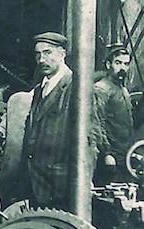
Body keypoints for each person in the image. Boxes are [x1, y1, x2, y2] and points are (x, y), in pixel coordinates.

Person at [15, 32, 87, 209]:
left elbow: (89, 140)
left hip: (60, 185)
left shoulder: (76, 87)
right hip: (35, 183)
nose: (41, 59)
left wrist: (83, 183)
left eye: (47, 53)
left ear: (62, 54)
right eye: (38, 54)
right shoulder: (40, 88)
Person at [94, 43, 133, 184]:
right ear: (109, 64)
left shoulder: (123, 90)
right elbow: (98, 124)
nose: (123, 68)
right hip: (110, 160)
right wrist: (107, 153)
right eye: (118, 63)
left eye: (126, 64)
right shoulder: (101, 89)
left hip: (125, 156)